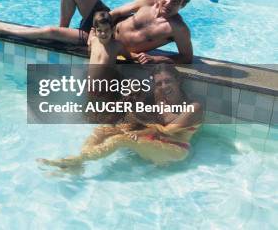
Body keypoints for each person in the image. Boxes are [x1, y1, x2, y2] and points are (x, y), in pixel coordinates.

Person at [0, 0, 194, 64]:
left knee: (48, 32)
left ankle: (2, 31)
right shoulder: (148, 1)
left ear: (183, 5)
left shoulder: (178, 29)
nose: (167, 3)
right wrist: (97, 27)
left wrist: (154, 59)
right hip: (102, 27)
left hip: (112, 45)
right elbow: (116, 13)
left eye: (175, 1)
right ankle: (62, 30)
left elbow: (186, 58)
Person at [38, 65, 203, 172]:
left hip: (173, 149)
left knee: (119, 139)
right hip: (152, 140)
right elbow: (139, 114)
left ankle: (77, 159)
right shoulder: (159, 98)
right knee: (103, 130)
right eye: (159, 83)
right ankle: (79, 164)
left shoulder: (194, 107)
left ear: (178, 80)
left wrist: (137, 130)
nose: (163, 87)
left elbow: (167, 130)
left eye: (168, 81)